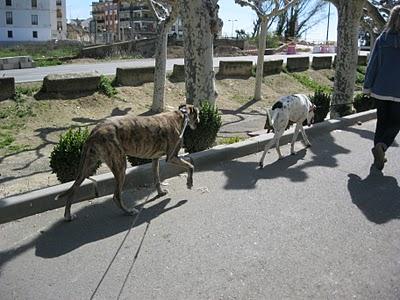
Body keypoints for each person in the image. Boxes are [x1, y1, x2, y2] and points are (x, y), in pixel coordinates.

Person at [363, 5, 400, 171]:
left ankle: (378, 148)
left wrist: (367, 87)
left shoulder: (382, 39)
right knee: (396, 123)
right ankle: (382, 147)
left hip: (381, 89)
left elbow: (373, 65)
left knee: (382, 122)